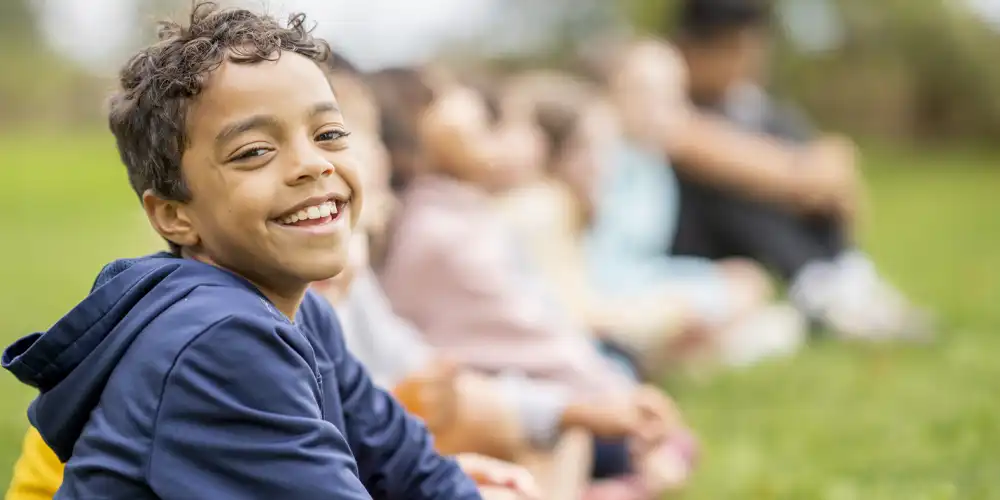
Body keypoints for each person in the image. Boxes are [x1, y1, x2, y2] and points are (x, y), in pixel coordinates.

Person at [1, 4, 536, 499]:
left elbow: (411, 466)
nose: (313, 164)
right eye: (255, 151)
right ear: (172, 213)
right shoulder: (218, 341)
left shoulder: (307, 316)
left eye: (329, 133)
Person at [373, 68, 698, 496]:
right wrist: (611, 400)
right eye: (446, 97)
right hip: (495, 400)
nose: (470, 106)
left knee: (647, 437)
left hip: (515, 393)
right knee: (592, 436)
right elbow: (533, 337)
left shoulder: (460, 215)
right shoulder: (441, 232)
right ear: (415, 128)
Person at [668, 0, 932, 339]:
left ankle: (842, 278)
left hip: (752, 248)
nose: (745, 63)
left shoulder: (755, 108)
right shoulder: (664, 96)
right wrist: (802, 175)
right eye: (732, 50)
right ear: (690, 48)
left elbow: (842, 186)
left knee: (779, 170)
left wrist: (830, 166)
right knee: (740, 185)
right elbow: (696, 146)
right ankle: (821, 286)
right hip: (694, 248)